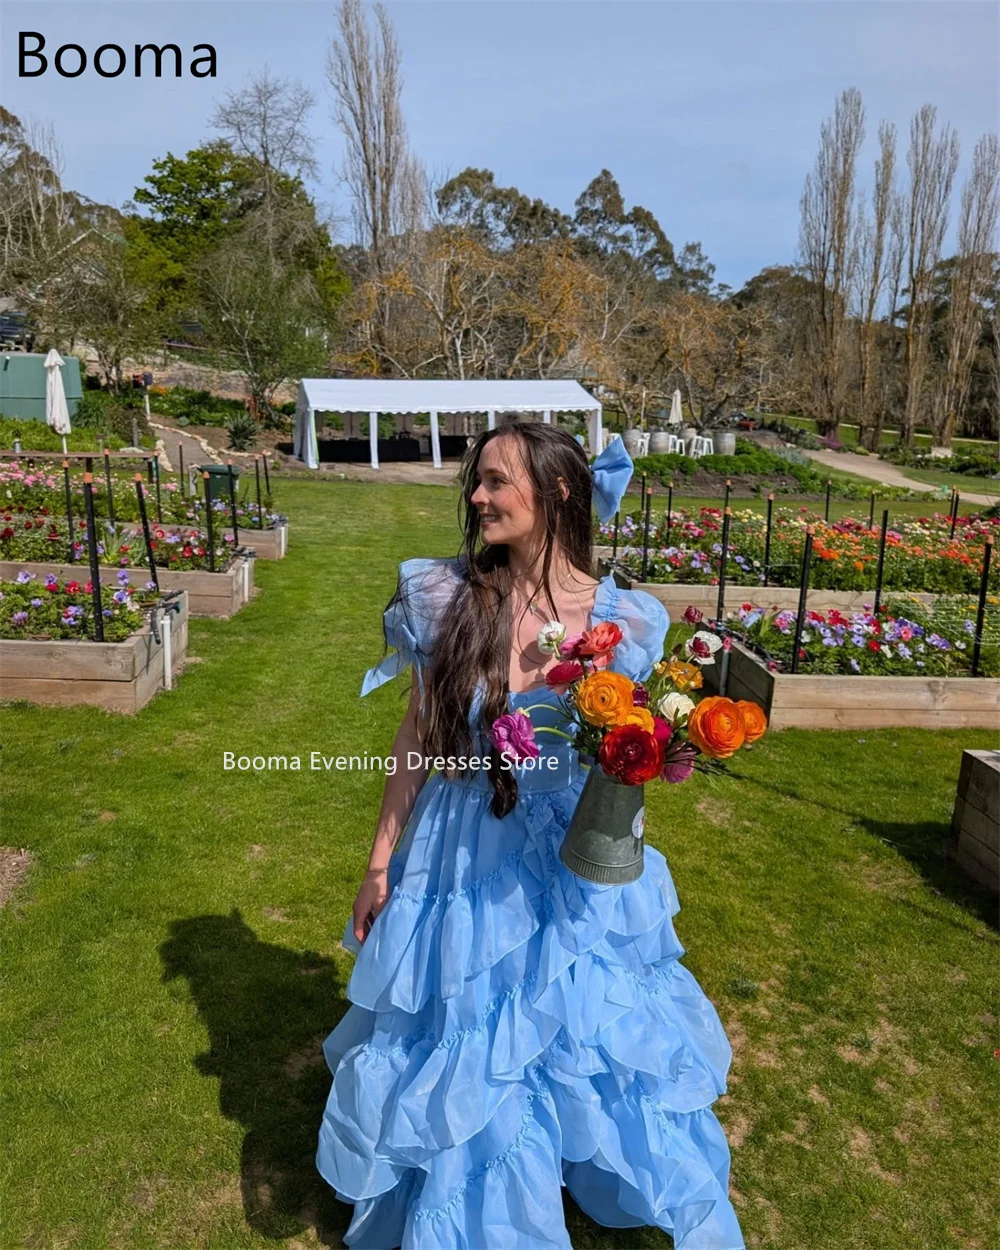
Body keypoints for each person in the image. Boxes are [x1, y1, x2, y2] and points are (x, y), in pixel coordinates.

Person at [316, 423, 745, 1250]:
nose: (476, 499)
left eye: (495, 483)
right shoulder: (447, 597)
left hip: (574, 858)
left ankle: (575, 1151)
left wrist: (667, 753)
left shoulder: (629, 622)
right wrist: (379, 863)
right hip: (463, 845)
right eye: (475, 483)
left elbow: (645, 759)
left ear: (554, 493)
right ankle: (479, 1194)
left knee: (579, 1018)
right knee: (475, 1021)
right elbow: (417, 735)